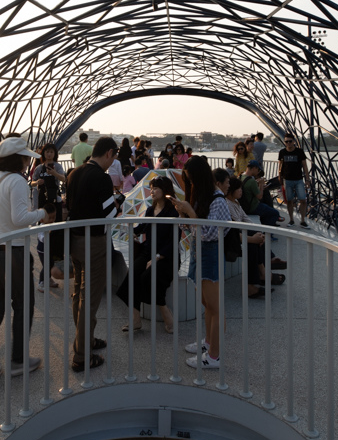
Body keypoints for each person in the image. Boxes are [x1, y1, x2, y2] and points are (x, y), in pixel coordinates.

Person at [0, 136, 52, 387]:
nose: (28, 162)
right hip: (12, 254)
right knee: (23, 304)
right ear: (19, 159)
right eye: (26, 158)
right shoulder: (17, 181)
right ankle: (18, 360)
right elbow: (19, 218)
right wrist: (42, 213)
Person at [169, 156, 230, 369]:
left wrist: (191, 213)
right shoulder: (203, 196)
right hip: (199, 252)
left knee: (215, 306)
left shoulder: (217, 200)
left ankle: (214, 356)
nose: (191, 184)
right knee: (207, 304)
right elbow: (193, 229)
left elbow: (210, 233)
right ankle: (209, 343)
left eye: (192, 179)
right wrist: (183, 214)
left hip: (210, 254)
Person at [66, 136, 119, 373]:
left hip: (75, 240)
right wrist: (117, 204)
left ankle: (85, 341)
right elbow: (109, 215)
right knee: (90, 299)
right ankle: (82, 356)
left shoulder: (74, 173)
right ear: (108, 153)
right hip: (94, 244)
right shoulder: (102, 178)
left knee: (78, 293)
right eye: (113, 157)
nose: (113, 162)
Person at [116, 176, 178, 333]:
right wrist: (132, 230)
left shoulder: (173, 212)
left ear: (165, 190)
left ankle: (166, 313)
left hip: (167, 256)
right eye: (151, 188)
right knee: (131, 277)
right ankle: (136, 319)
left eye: (155, 188)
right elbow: (143, 227)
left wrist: (158, 257)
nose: (152, 191)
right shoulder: (150, 210)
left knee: (147, 278)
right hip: (148, 252)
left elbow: (174, 240)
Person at [31, 143, 66, 288]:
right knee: (44, 234)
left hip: (54, 203)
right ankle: (46, 275)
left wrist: (54, 174)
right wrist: (37, 182)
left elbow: (64, 179)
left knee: (55, 234)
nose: (49, 154)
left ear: (55, 154)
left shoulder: (57, 166)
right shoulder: (39, 168)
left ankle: (49, 273)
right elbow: (31, 183)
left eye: (52, 152)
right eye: (47, 152)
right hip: (43, 203)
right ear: (43, 154)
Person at [278, 134, 310, 227]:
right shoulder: (282, 152)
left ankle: (303, 220)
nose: (288, 143)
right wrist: (279, 176)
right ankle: (291, 220)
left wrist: (307, 179)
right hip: (287, 180)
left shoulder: (299, 152)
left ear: (294, 141)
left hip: (299, 179)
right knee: (289, 200)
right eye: (286, 141)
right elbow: (280, 166)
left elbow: (305, 166)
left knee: (303, 199)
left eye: (290, 141)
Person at [241, 160, 280, 226]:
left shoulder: (241, 176)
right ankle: (267, 230)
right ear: (254, 168)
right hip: (253, 207)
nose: (258, 172)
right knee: (275, 213)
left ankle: (264, 224)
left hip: (244, 205)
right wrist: (261, 184)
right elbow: (259, 196)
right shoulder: (252, 181)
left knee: (266, 207)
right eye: (258, 170)